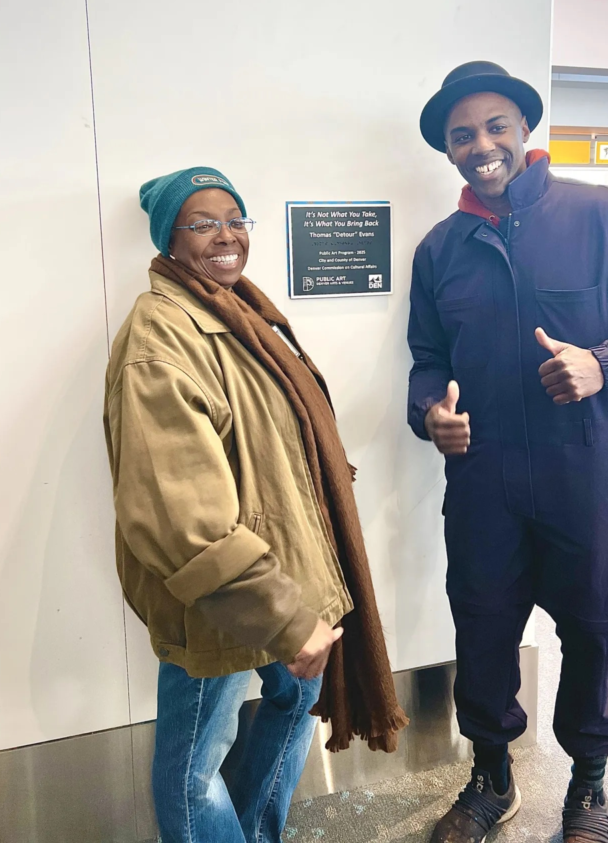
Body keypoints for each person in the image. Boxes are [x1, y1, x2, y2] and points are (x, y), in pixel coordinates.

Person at [408, 62, 608, 843]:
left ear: (523, 130)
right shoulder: (442, 249)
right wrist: (429, 414)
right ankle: (491, 780)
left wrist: (606, 363)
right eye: (462, 135)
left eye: (494, 126)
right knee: (480, 628)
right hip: (483, 485)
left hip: (590, 480)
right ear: (448, 151)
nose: (481, 144)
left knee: (593, 627)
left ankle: (588, 788)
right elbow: (426, 357)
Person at [104, 167, 406, 843]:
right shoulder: (162, 338)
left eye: (236, 218)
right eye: (204, 222)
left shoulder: (242, 313)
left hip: (280, 566)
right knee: (193, 766)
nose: (226, 234)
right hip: (216, 594)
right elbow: (180, 514)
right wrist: (280, 614)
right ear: (171, 241)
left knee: (296, 699)